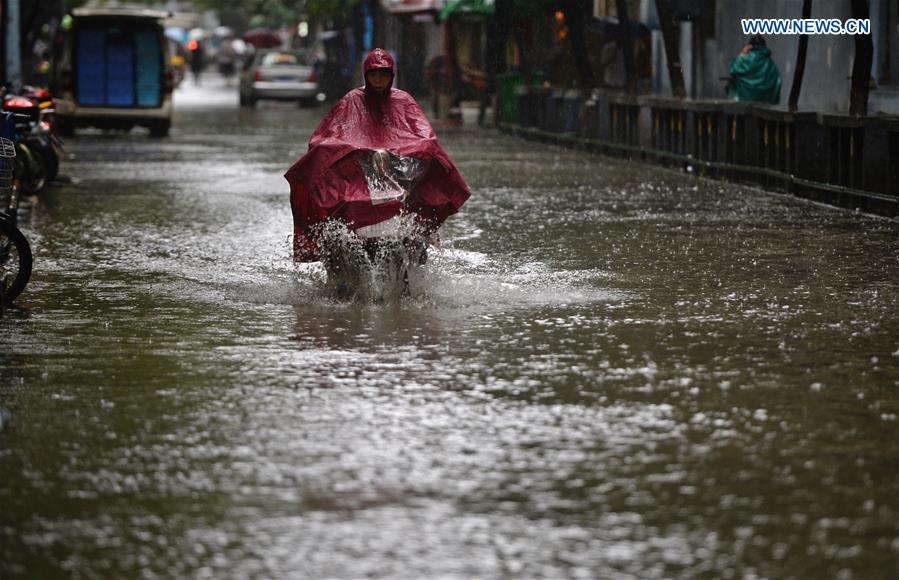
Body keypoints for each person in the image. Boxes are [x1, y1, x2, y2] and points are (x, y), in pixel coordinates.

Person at [284, 48, 471, 263]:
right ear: (366, 75)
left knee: (415, 224)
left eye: (383, 74)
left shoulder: (404, 101)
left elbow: (425, 137)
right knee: (338, 219)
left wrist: (409, 151)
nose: (379, 80)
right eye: (374, 74)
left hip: (398, 174)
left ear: (391, 76)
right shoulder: (351, 101)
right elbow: (326, 136)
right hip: (357, 176)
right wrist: (342, 151)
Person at [727, 35, 782, 104]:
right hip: (766, 100)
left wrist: (742, 54)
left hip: (744, 98)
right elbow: (778, 81)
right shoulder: (769, 62)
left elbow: (733, 70)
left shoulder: (746, 59)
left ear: (750, 46)